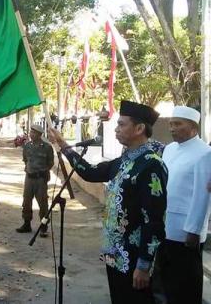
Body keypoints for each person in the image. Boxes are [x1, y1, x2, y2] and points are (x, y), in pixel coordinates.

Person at [48, 100, 167, 304]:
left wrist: (144, 264)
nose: (116, 129)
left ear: (139, 128)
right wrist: (63, 144)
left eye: (121, 124)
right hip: (114, 252)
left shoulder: (151, 165)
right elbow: (90, 173)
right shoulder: (124, 160)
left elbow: (154, 221)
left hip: (134, 258)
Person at [159, 106, 211, 304]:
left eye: (178, 124)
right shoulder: (170, 149)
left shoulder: (205, 153)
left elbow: (203, 196)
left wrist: (194, 230)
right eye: (171, 124)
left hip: (186, 230)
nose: (172, 128)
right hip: (165, 225)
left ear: (193, 129)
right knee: (167, 283)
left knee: (186, 284)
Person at [16, 124, 54, 237]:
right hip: (29, 178)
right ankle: (26, 224)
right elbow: (25, 160)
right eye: (31, 132)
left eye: (34, 132)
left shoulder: (47, 147)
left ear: (39, 134)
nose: (31, 134)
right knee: (26, 202)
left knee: (43, 204)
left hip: (40, 179)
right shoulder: (27, 146)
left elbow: (50, 163)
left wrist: (42, 171)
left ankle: (44, 227)